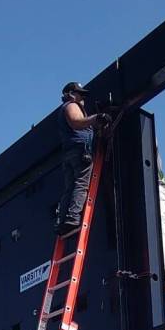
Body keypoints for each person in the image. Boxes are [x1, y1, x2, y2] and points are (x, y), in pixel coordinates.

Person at [54, 82, 110, 236]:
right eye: (80, 94)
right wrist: (97, 117)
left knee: (70, 187)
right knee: (81, 184)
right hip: (79, 151)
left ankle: (62, 222)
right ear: (71, 94)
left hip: (70, 153)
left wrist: (95, 124)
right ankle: (72, 218)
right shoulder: (71, 105)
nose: (83, 98)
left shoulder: (69, 108)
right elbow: (77, 122)